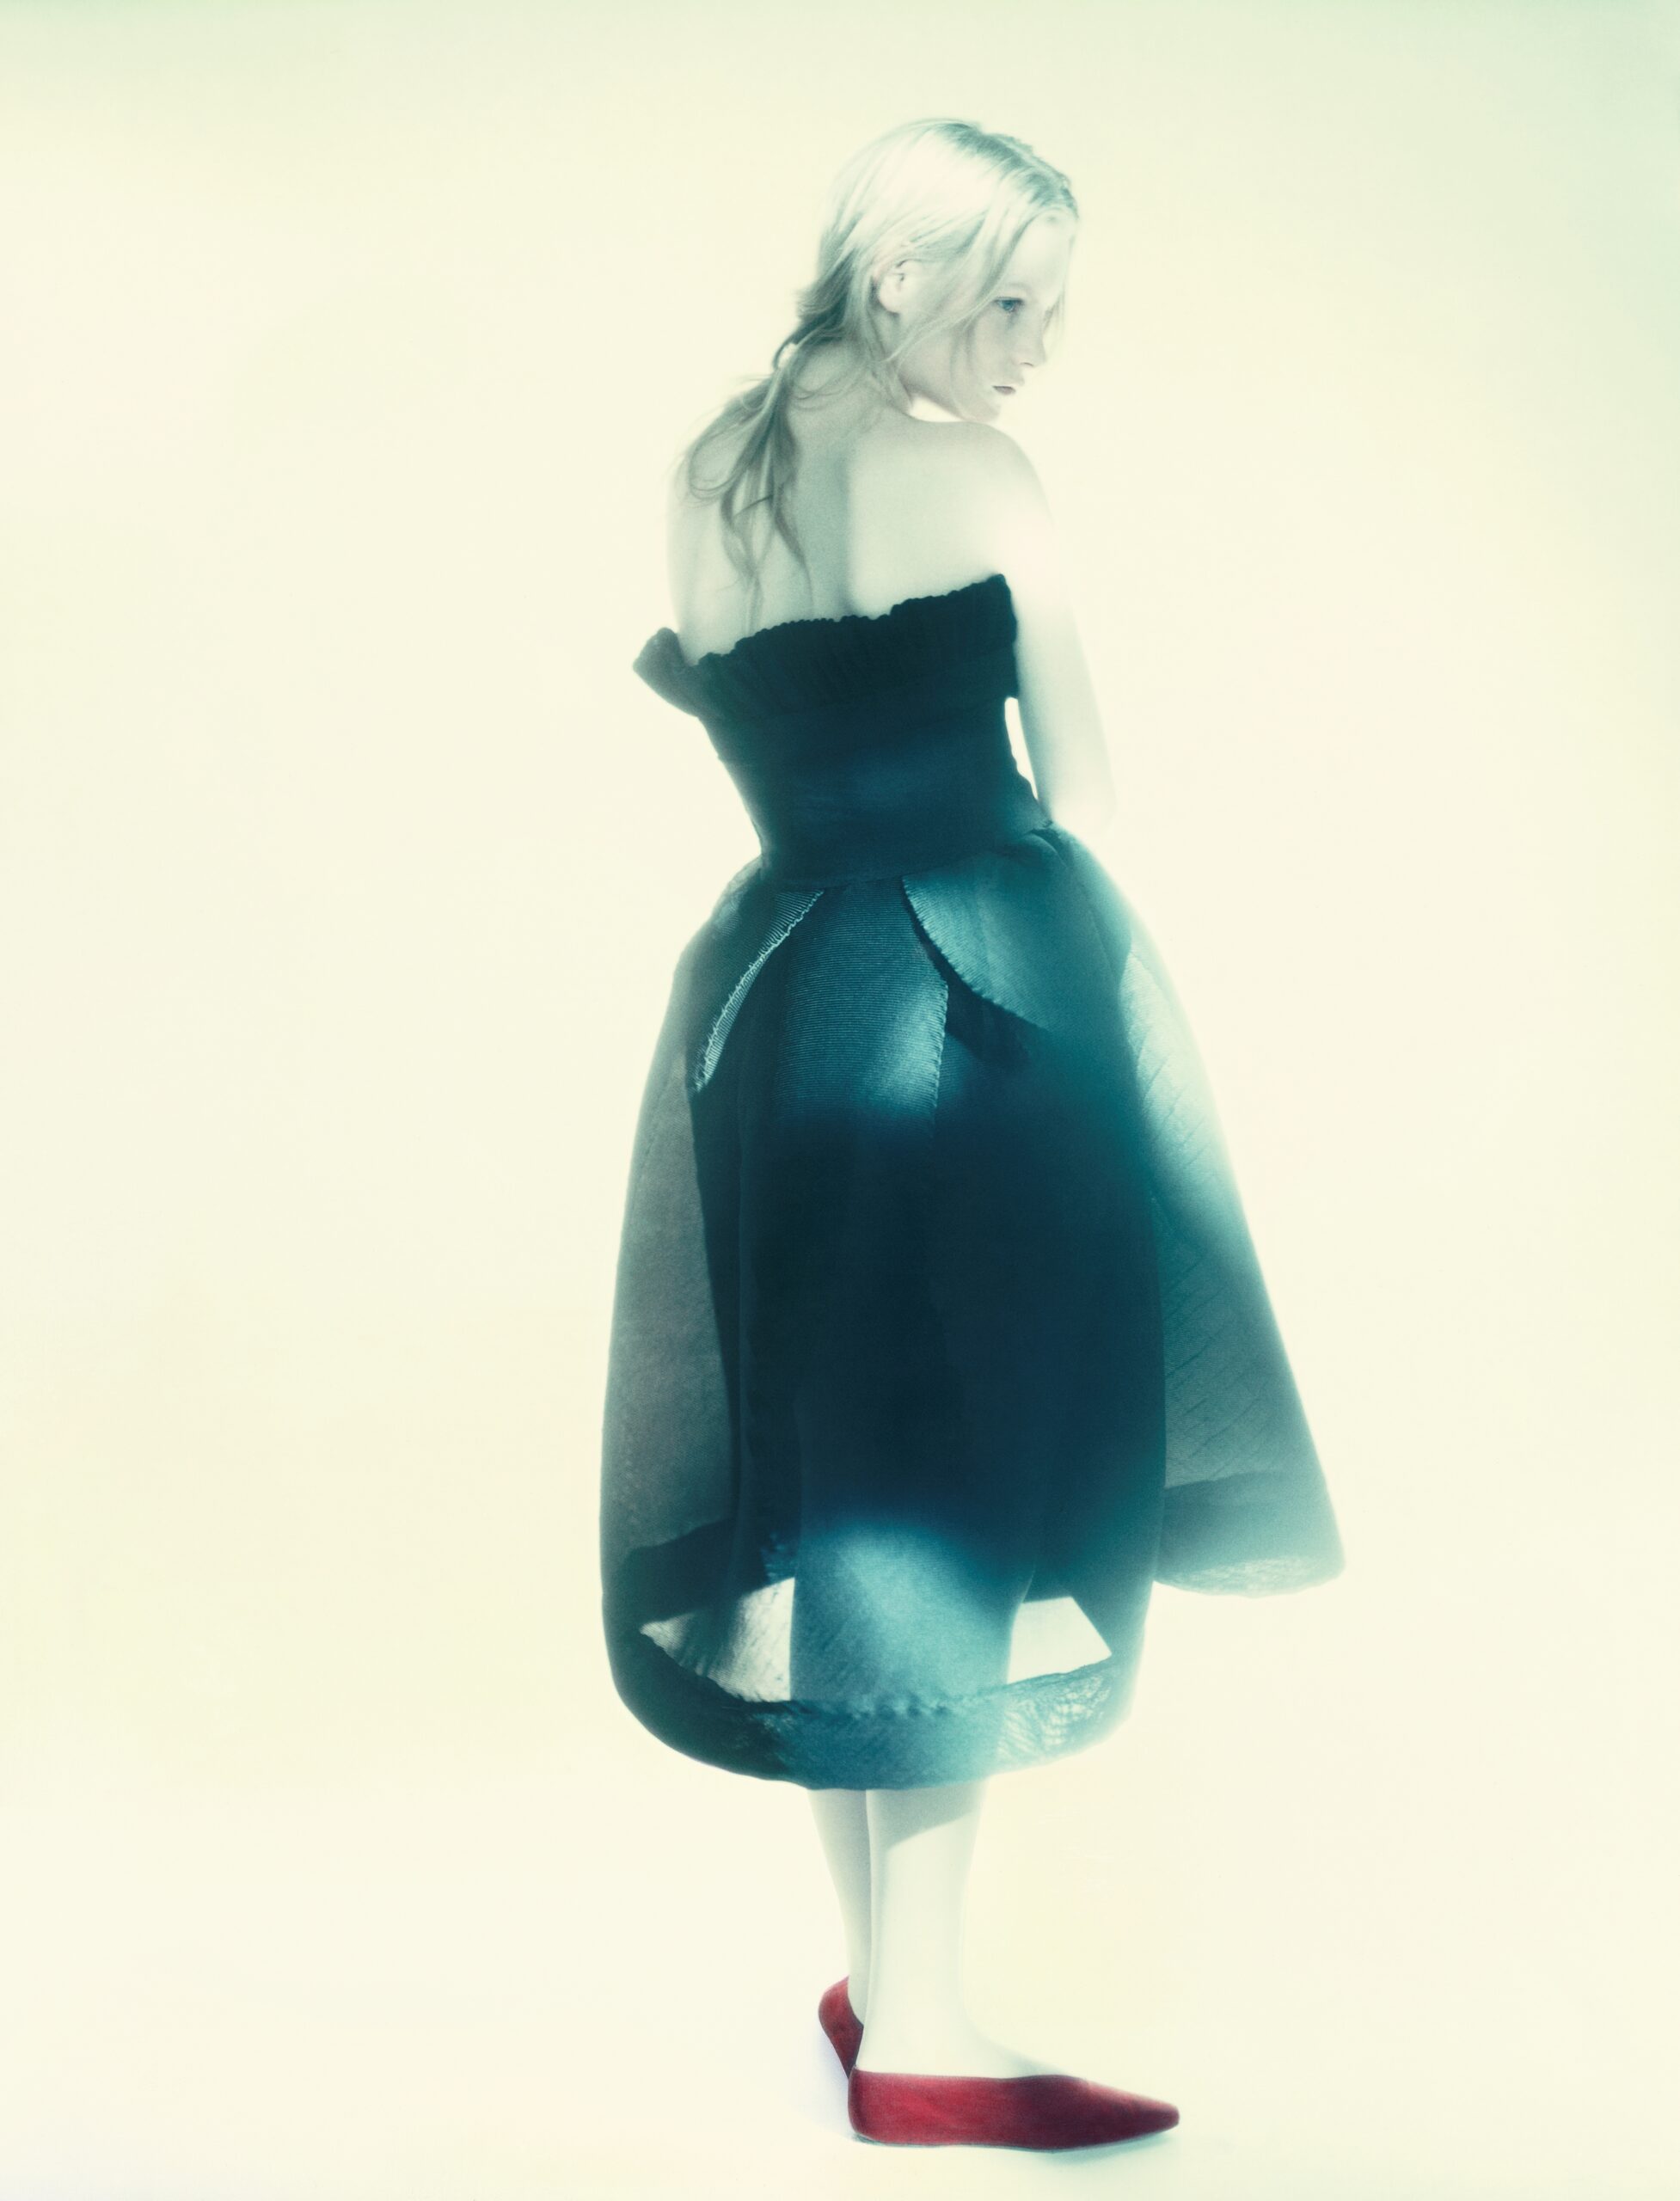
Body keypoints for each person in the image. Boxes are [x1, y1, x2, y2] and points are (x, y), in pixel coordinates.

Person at [600, 116, 1345, 2152]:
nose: (1033, 349)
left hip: (770, 1002)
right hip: (964, 997)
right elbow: (1078, 785)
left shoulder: (705, 472)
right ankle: (922, 2035)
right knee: (943, 1491)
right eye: (1011, 302)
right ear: (902, 275)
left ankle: (877, 1982)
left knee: (834, 1486)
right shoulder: (977, 476)